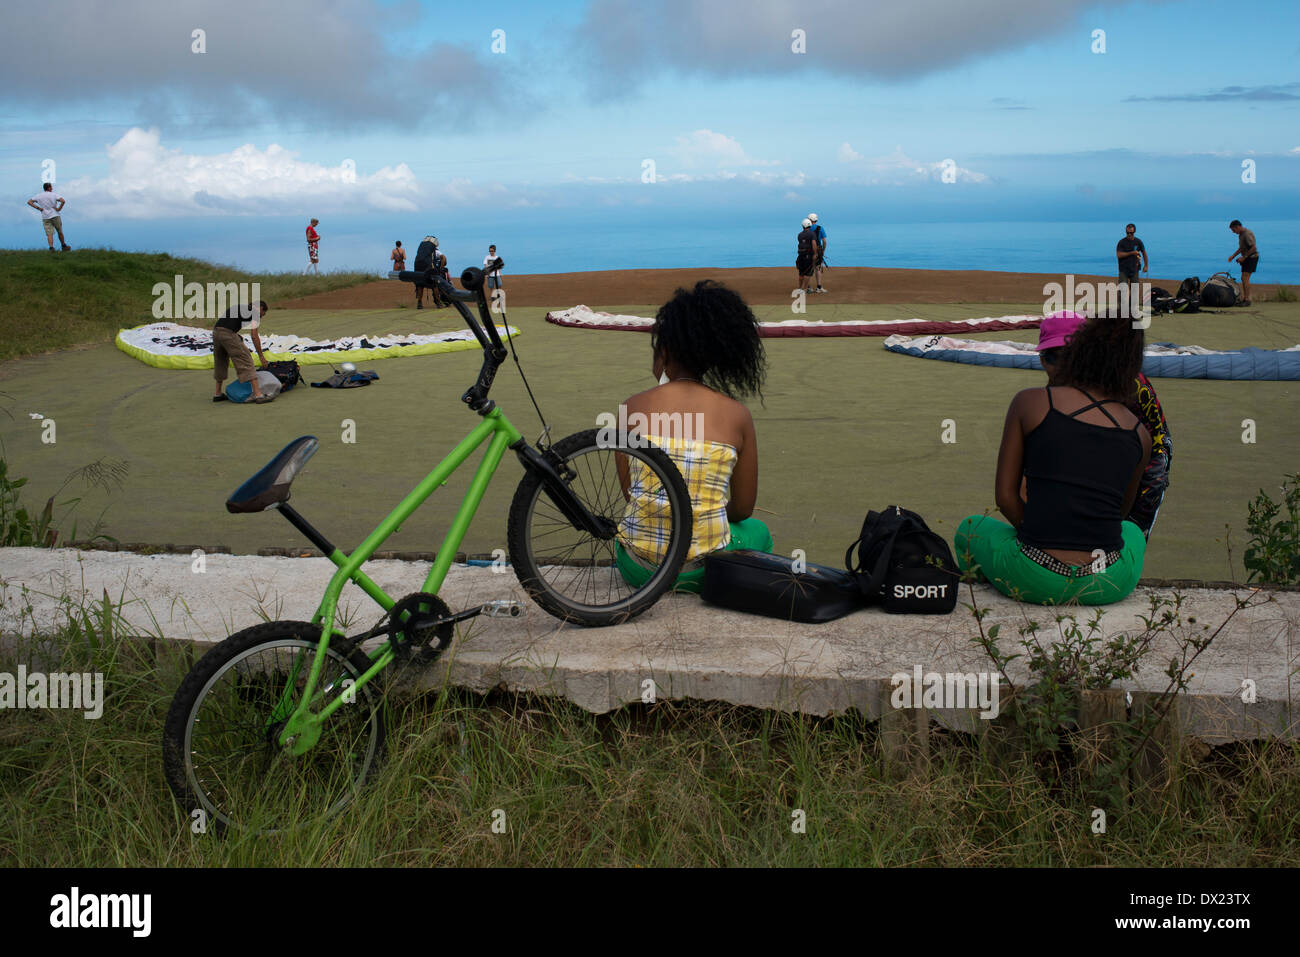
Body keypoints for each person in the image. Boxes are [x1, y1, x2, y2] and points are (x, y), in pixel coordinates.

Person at [954, 313, 1152, 605]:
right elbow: (1121, 512)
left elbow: (1006, 498)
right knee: (1132, 531)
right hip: (1107, 582)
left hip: (1034, 576)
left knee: (970, 529)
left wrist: (1042, 536)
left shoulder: (1030, 402)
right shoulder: (1139, 432)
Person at [615, 280, 772, 593]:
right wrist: (702, 513)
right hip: (702, 571)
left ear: (665, 350)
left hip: (638, 568)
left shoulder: (631, 407)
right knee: (757, 531)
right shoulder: (737, 415)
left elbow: (631, 494)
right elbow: (742, 509)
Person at [1034, 311, 1172, 538]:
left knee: (1130, 527)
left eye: (1066, 357)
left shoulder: (1120, 382)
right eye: (1050, 357)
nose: (1058, 368)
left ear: (1083, 353)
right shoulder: (1055, 389)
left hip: (1148, 456)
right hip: (1108, 450)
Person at [212, 301, 272, 404]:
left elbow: (226, 324)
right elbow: (254, 336)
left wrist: (235, 336)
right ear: (260, 308)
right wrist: (261, 357)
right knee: (246, 359)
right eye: (263, 313)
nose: (262, 317)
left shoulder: (240, 307)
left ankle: (217, 393)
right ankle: (258, 395)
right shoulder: (255, 312)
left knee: (220, 361)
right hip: (227, 334)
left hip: (216, 332)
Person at [27, 183, 70, 252]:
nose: (52, 188)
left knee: (49, 234)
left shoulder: (39, 196)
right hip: (55, 215)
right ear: (49, 188)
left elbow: (29, 202)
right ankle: (64, 246)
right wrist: (59, 208)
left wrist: (38, 208)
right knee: (59, 231)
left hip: (45, 216)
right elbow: (63, 201)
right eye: (51, 187)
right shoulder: (54, 194)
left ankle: (51, 248)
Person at [1116, 223, 1147, 315]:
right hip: (1123, 270)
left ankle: (1133, 309)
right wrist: (1132, 253)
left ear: (1134, 232)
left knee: (1134, 290)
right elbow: (1119, 255)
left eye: (1131, 233)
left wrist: (1146, 265)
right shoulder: (1121, 242)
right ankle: (1122, 310)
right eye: (1127, 232)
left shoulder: (1138, 242)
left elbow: (1144, 253)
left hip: (1135, 269)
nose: (1129, 234)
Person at [1229, 220, 1258, 306]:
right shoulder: (1241, 235)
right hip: (1246, 258)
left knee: (1245, 278)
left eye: (1234, 230)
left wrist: (1244, 257)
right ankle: (1245, 298)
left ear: (1238, 227)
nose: (1234, 232)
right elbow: (1241, 248)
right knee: (1243, 278)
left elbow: (1254, 247)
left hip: (1252, 258)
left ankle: (1247, 299)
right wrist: (1233, 256)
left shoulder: (1247, 234)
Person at [412, 235, 438, 309]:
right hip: (427, 265)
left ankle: (419, 303)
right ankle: (438, 303)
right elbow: (440, 258)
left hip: (417, 264)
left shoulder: (422, 245)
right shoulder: (433, 248)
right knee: (434, 284)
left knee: (420, 284)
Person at [796, 218, 816, 293]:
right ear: (810, 225)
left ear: (803, 226)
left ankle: (800, 288)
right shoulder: (812, 234)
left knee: (801, 273)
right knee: (807, 273)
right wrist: (815, 254)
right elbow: (814, 244)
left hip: (800, 256)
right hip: (808, 256)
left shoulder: (799, 235)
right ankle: (805, 289)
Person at [808, 213, 827, 292]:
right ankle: (819, 287)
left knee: (808, 269)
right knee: (818, 268)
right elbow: (824, 241)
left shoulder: (807, 228)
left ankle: (808, 287)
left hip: (809, 250)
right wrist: (823, 250)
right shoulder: (820, 228)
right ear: (816, 219)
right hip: (818, 250)